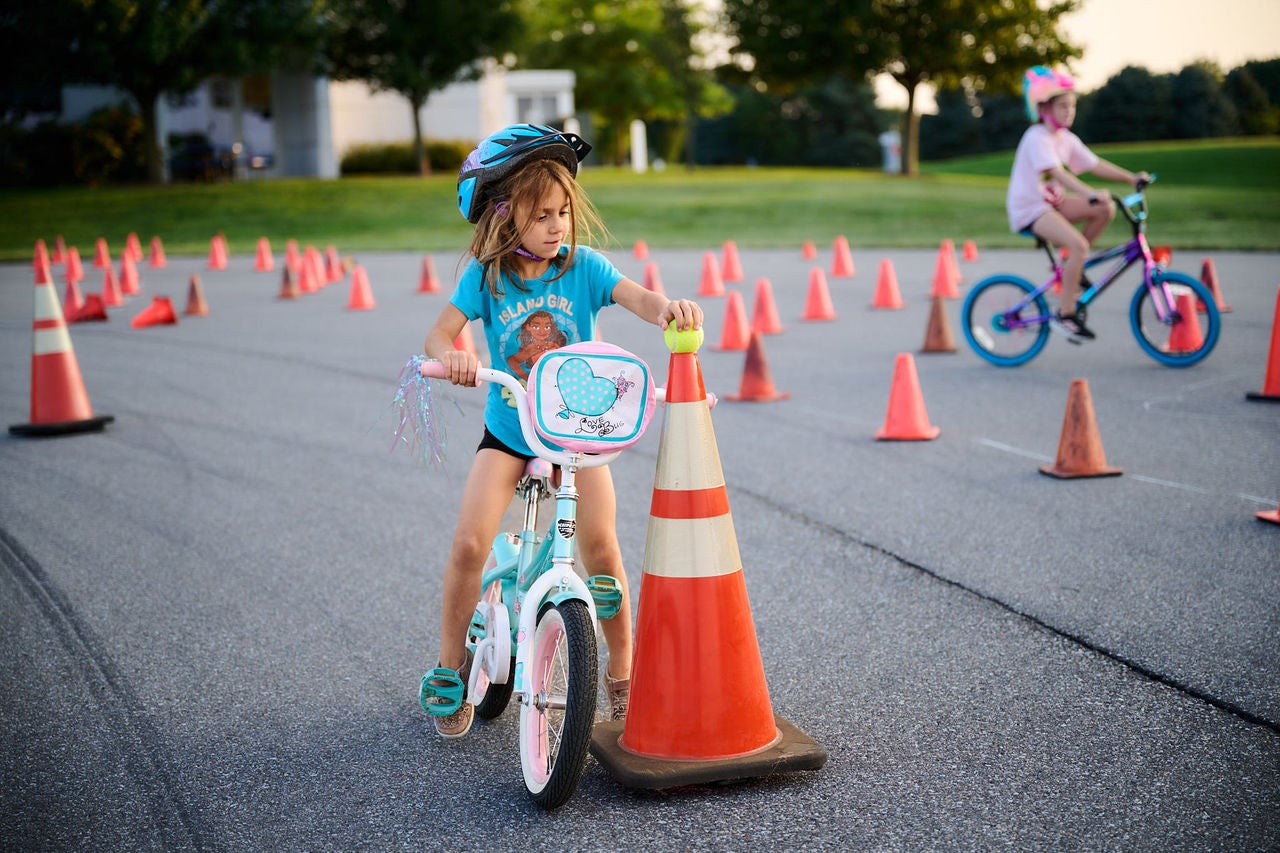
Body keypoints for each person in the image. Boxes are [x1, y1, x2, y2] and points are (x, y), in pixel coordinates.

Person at [421, 124, 703, 739]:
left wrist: (670, 311)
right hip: (510, 429)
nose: (557, 226)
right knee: (471, 543)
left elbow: (640, 298)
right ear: (503, 218)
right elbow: (438, 335)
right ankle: (450, 664)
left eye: (563, 212)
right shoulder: (487, 279)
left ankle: (624, 675)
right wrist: (458, 354)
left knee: (603, 550)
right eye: (541, 215)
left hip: (578, 436)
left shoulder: (586, 268)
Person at [1007, 66, 1150, 341]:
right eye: (1062, 106)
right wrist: (1088, 193)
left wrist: (1131, 178)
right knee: (1078, 245)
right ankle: (1066, 315)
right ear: (1044, 109)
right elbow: (1058, 172)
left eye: (1072, 106)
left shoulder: (1066, 139)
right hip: (1030, 210)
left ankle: (1075, 265)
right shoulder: (1036, 138)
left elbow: (1094, 164)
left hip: (1052, 206)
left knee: (1104, 209)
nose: (1069, 111)